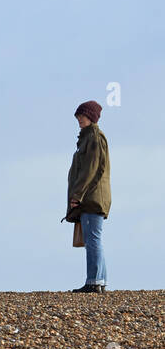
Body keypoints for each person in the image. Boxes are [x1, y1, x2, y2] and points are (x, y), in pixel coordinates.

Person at [66, 100, 111, 293]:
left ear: (91, 116)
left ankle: (94, 281)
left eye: (82, 116)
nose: (79, 120)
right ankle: (99, 281)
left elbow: (90, 170)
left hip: (91, 199)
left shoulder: (93, 137)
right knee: (94, 239)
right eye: (78, 116)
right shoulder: (88, 137)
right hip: (91, 197)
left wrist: (77, 195)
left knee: (93, 240)